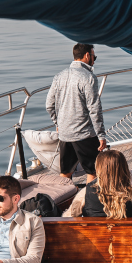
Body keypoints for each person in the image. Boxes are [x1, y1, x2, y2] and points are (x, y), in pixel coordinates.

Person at [46, 43, 107, 185]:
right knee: (94, 171)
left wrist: (58, 124)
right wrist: (101, 135)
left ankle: (65, 200)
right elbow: (94, 109)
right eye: (94, 56)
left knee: (65, 172)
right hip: (84, 133)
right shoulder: (89, 77)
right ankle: (89, 204)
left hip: (65, 134)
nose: (94, 59)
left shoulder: (59, 76)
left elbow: (49, 105)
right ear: (87, 55)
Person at [64, 149, 132, 219]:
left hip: (95, 232)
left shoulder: (86, 192)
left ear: (99, 169)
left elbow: (71, 216)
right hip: (124, 233)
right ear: (124, 169)